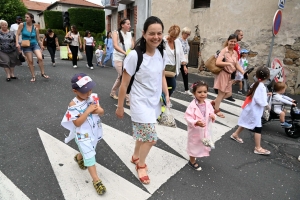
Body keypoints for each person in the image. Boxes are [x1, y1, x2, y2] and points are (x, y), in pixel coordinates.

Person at [115, 16, 170, 184]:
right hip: (139, 103)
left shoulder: (162, 52)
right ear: (144, 34)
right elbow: (124, 84)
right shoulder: (134, 56)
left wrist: (166, 95)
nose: (156, 37)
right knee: (151, 138)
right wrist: (120, 106)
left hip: (154, 103)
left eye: (159, 33)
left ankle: (135, 156)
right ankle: (141, 165)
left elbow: (161, 75)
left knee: (142, 135)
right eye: (152, 33)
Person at [61, 73, 106, 195]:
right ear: (75, 91)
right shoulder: (73, 105)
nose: (89, 93)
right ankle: (96, 180)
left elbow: (102, 112)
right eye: (85, 91)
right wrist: (87, 111)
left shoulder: (93, 98)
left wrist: (97, 110)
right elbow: (77, 123)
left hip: (94, 132)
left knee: (89, 150)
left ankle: (79, 157)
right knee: (90, 156)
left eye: (90, 89)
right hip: (82, 135)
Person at [230, 66, 271, 155]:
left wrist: (266, 94)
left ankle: (235, 134)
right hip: (254, 111)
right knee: (258, 128)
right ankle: (258, 147)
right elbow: (259, 100)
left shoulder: (256, 84)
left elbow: (255, 95)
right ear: (268, 76)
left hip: (250, 108)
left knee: (246, 122)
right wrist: (267, 105)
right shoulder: (262, 87)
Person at [211, 34, 245, 118]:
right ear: (228, 41)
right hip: (223, 74)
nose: (233, 43)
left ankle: (214, 103)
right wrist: (228, 63)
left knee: (228, 94)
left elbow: (236, 64)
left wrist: (243, 72)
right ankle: (216, 110)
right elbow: (218, 62)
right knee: (221, 93)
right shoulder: (224, 51)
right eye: (231, 41)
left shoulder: (235, 53)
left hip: (230, 76)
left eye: (235, 42)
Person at [184, 81, 215, 171]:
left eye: (205, 92)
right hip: (195, 130)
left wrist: (213, 116)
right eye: (199, 92)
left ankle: (196, 155)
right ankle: (192, 161)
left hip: (204, 129)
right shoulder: (192, 106)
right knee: (193, 145)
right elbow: (187, 117)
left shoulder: (208, 104)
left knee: (201, 144)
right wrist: (196, 122)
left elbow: (211, 112)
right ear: (194, 93)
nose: (202, 94)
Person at [16, 13, 49, 82]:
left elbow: (38, 39)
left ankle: (42, 73)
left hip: (34, 45)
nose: (25, 18)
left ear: (32, 18)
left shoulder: (35, 28)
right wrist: (17, 43)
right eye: (25, 17)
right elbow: (17, 34)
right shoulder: (22, 25)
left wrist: (41, 45)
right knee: (30, 61)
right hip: (26, 46)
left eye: (27, 17)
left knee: (40, 58)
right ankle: (33, 76)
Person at [110, 18, 134, 104]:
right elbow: (115, 45)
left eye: (129, 24)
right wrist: (125, 53)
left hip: (127, 59)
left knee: (120, 78)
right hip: (118, 59)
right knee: (125, 78)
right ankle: (128, 99)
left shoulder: (129, 34)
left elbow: (132, 45)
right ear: (122, 25)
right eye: (127, 24)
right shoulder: (115, 33)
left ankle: (113, 92)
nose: (129, 26)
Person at [164, 25, 187, 96]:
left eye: (175, 37)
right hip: (164, 69)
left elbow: (181, 54)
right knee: (172, 86)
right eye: (172, 36)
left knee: (169, 87)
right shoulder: (163, 41)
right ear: (169, 32)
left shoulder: (177, 42)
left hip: (174, 69)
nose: (173, 38)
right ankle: (165, 101)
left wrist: (184, 65)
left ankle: (165, 101)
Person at [226, 29, 244, 102]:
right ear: (237, 35)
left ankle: (229, 94)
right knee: (231, 80)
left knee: (232, 80)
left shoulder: (237, 44)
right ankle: (227, 94)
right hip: (233, 64)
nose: (242, 37)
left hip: (236, 64)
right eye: (241, 35)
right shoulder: (234, 45)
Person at [179, 27, 192, 96]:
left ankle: (186, 89)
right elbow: (180, 52)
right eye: (187, 34)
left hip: (185, 60)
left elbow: (186, 52)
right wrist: (183, 65)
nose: (188, 36)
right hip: (180, 61)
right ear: (183, 33)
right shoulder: (179, 41)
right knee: (173, 75)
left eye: (189, 34)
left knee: (185, 75)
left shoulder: (186, 41)